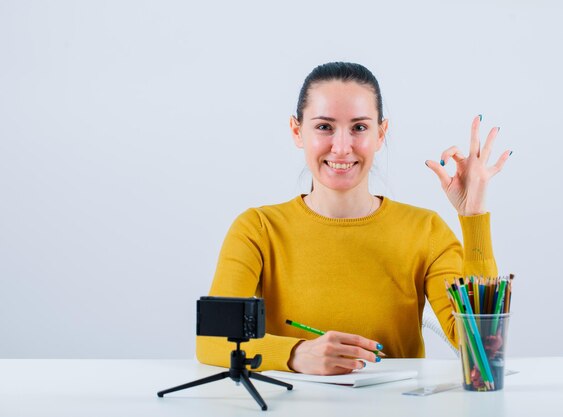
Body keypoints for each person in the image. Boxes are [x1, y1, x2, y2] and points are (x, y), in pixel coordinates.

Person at [197, 62, 511, 375]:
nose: (342, 147)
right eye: (324, 127)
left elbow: (482, 349)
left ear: (380, 133)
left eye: (359, 128)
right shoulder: (257, 229)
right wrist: (296, 354)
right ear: (297, 131)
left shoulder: (426, 230)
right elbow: (212, 342)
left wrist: (473, 216)